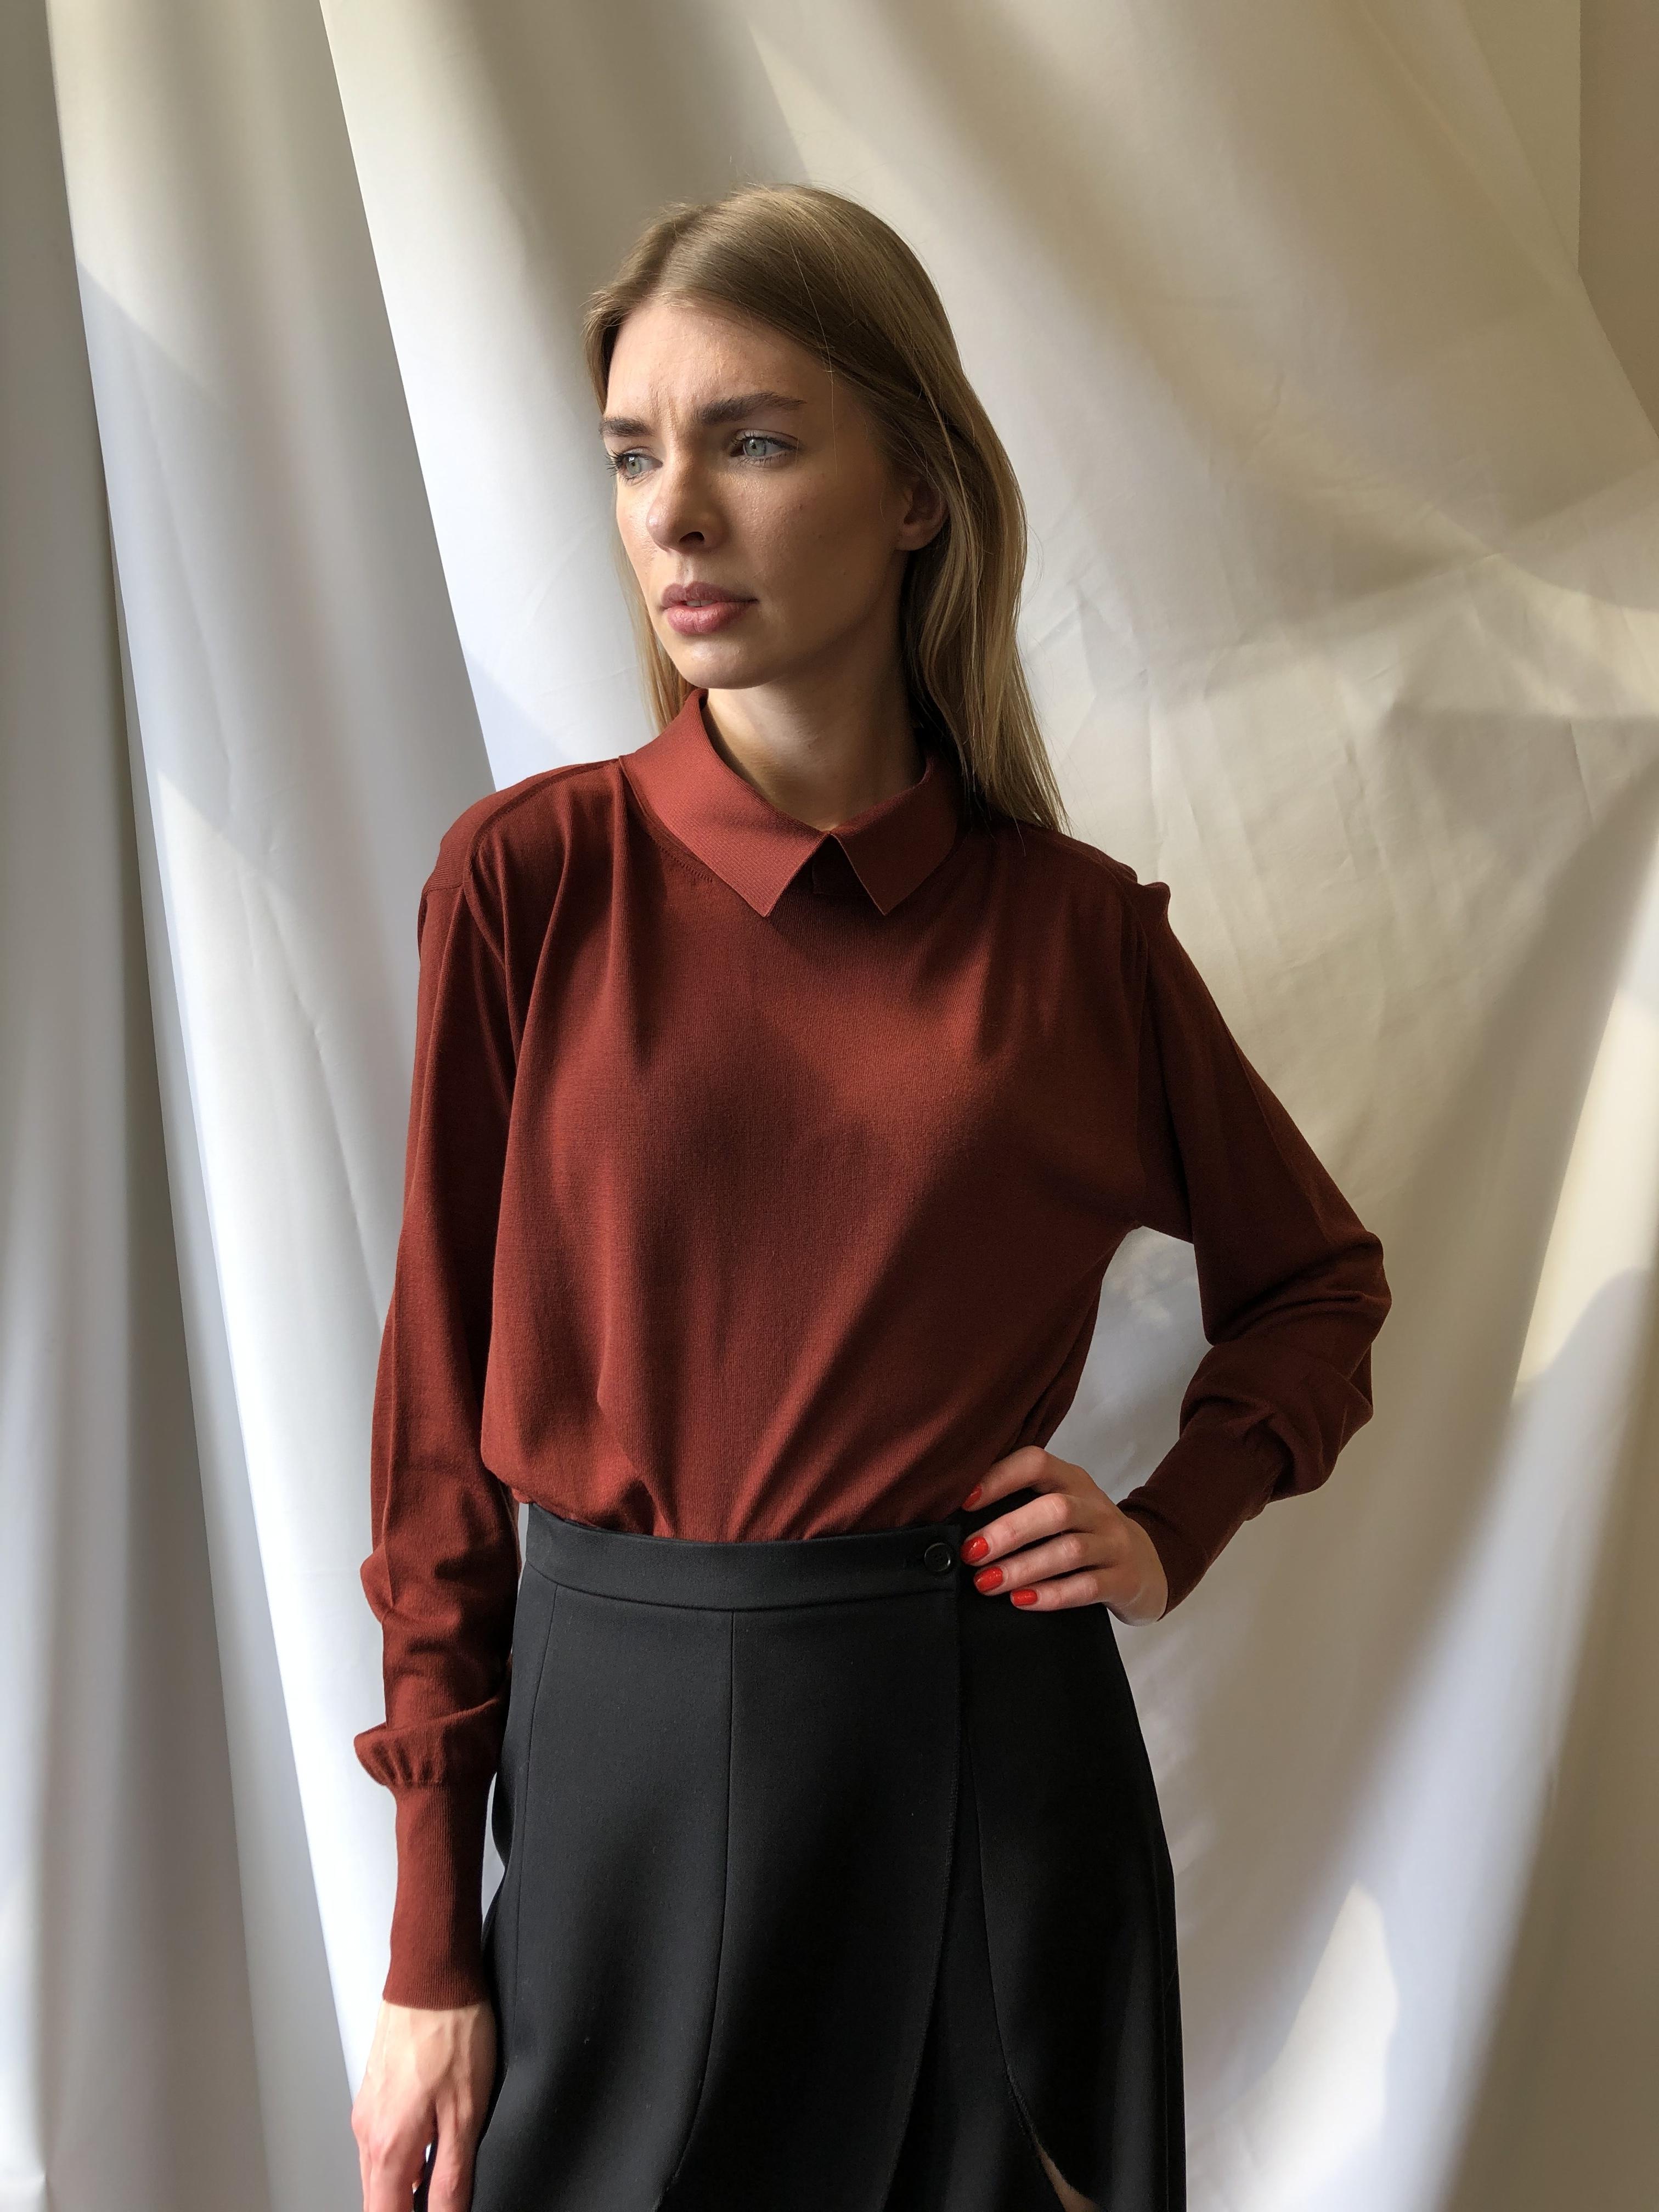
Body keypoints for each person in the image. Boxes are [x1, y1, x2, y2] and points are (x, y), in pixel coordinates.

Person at [348, 183, 1391, 2212]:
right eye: (633, 455)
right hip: (620, 1789)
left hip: (990, 1782)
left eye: (750, 441)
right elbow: (436, 1452)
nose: (673, 515)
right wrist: (425, 1938)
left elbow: (1319, 1284)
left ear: (918, 490)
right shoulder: (530, 884)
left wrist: (1173, 1521)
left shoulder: (1075, 941)